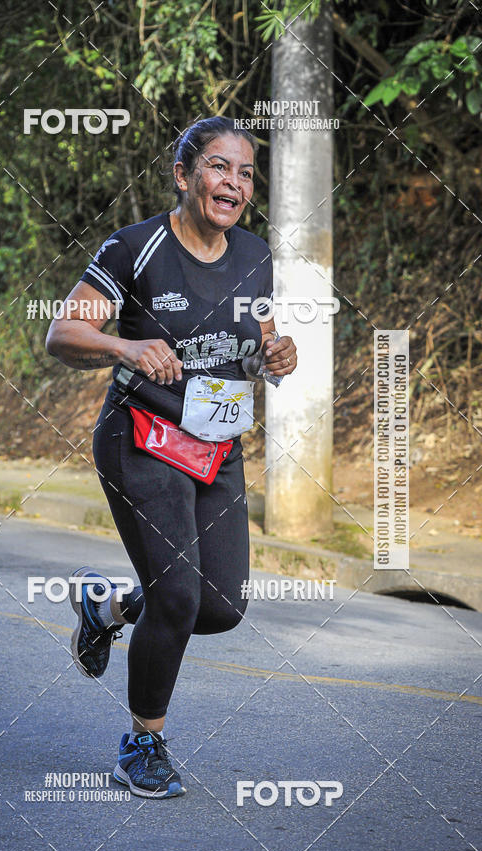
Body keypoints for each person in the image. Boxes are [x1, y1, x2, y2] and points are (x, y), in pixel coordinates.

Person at [46, 117, 297, 799]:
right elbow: (61, 331)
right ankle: (143, 742)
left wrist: (279, 355)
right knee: (180, 596)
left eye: (245, 173)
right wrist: (124, 347)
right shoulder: (135, 248)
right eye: (219, 168)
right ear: (184, 176)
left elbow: (263, 338)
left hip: (218, 443)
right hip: (143, 438)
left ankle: (107, 610)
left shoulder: (254, 254)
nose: (234, 184)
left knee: (219, 606)